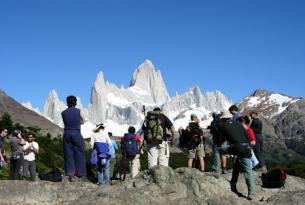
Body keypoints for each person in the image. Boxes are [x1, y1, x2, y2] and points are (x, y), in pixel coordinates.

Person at [218, 110, 256, 200]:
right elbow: (247, 137)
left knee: (219, 150)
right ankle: (251, 193)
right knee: (247, 171)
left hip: (236, 148)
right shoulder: (239, 124)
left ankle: (223, 173)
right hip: (247, 149)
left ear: (223, 118)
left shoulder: (223, 126)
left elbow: (221, 140)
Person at [61, 95, 86, 182]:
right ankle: (81, 173)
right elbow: (83, 120)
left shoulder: (63, 113)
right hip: (76, 132)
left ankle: (70, 173)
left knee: (68, 153)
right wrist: (78, 122)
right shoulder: (78, 111)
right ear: (75, 102)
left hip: (67, 133)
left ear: (67, 102)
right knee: (79, 152)